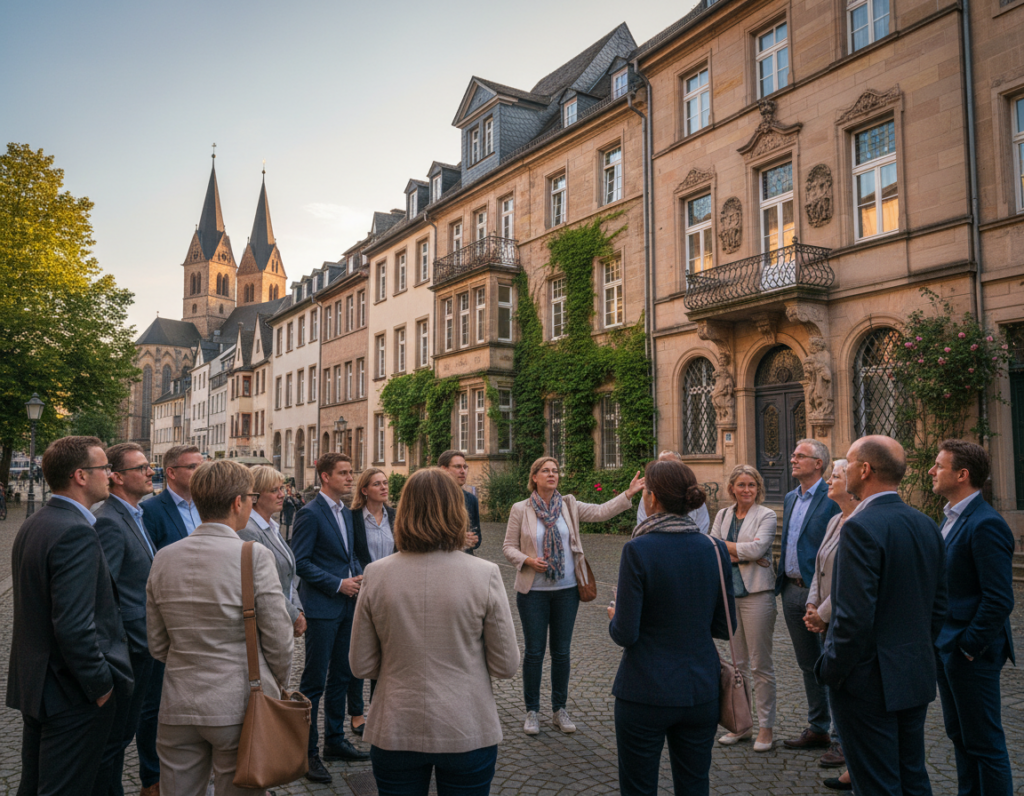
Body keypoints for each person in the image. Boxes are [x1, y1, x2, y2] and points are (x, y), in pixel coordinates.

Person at [350, 468, 520, 796]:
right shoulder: (484, 574)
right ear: (457, 512)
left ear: (405, 512)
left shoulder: (376, 574)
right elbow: (506, 664)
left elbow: (361, 664)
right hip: (466, 724)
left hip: (396, 725)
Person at [146, 459, 293, 796]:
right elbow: (279, 638)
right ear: (237, 502)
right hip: (237, 702)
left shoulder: (164, 557)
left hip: (178, 702)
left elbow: (156, 642)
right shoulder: (252, 555)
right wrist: (277, 683)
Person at [815, 435, 947, 796]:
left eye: (849, 461)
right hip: (914, 672)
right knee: (912, 776)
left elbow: (853, 616)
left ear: (865, 469)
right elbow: (938, 606)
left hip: (868, 681)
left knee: (876, 782)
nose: (843, 468)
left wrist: (832, 669)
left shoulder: (859, 526)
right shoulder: (926, 524)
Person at [7, 436, 133, 795]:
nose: (110, 474)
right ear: (80, 475)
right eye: (104, 468)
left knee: (34, 786)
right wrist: (101, 685)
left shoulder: (38, 522)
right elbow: (75, 626)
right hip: (69, 691)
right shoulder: (75, 531)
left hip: (37, 684)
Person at [608, 459, 736, 796]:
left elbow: (625, 633)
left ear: (651, 498)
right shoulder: (715, 547)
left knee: (638, 786)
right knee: (695, 785)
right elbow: (726, 626)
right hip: (700, 688)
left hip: (645, 689)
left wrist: (614, 613)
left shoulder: (638, 549)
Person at [503, 456, 643, 735]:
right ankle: (532, 711)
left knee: (562, 652)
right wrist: (528, 561)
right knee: (534, 652)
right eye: (546, 471)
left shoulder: (568, 505)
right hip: (533, 592)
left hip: (567, 590)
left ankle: (559, 709)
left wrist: (627, 494)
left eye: (555, 471)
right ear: (534, 477)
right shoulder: (521, 509)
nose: (552, 475)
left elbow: (602, 511)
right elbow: (508, 547)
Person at [929, 440, 1015, 796]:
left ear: (962, 475)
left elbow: (998, 599)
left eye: (939, 466)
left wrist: (967, 646)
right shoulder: (949, 518)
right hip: (948, 647)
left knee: (985, 743)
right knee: (960, 737)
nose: (931, 472)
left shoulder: (985, 524)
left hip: (971, 653)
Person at [292, 452, 370, 785]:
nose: (350, 478)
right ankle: (307, 754)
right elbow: (300, 562)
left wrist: (357, 575)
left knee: (342, 674)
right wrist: (338, 584)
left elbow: (348, 554)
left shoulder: (348, 513)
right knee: (313, 682)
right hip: (323, 608)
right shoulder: (310, 513)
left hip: (348, 606)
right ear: (325, 477)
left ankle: (334, 741)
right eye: (343, 473)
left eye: (351, 472)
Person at [93, 443, 159, 796]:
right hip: (128, 651)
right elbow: (103, 598)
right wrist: (124, 648)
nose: (151, 472)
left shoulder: (135, 514)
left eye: (149, 466)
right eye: (142, 468)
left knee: (123, 736)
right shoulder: (109, 521)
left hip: (141, 646)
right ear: (117, 477)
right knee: (113, 740)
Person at [138, 443, 204, 794]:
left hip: (203, 621)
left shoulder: (206, 507)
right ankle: (152, 776)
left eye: (201, 465)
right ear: (173, 472)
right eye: (193, 466)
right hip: (168, 620)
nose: (200, 472)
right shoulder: (152, 510)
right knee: (154, 701)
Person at [775, 438, 840, 751]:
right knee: (807, 663)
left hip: (823, 597)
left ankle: (841, 737)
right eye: (793, 454)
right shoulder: (789, 498)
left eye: (800, 455)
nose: (793, 459)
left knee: (832, 661)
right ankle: (818, 727)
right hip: (791, 590)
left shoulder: (833, 498)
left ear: (819, 464)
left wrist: (824, 600)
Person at [709, 464, 778, 752]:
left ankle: (766, 729)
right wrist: (743, 551)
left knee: (761, 664)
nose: (747, 490)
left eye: (751, 485)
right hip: (728, 595)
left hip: (757, 595)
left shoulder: (768, 514)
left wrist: (736, 551)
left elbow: (759, 549)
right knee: (737, 665)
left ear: (758, 488)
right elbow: (711, 546)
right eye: (741, 485)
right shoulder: (723, 514)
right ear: (732, 489)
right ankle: (743, 724)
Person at [802, 459, 858, 786]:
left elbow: (849, 580)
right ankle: (851, 760)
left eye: (835, 477)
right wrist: (812, 604)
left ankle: (853, 759)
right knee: (835, 688)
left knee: (848, 692)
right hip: (824, 615)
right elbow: (820, 567)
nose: (828, 483)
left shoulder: (861, 522)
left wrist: (821, 614)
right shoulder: (835, 519)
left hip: (842, 618)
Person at [348, 467, 397, 735]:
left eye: (385, 483)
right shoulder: (353, 517)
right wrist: (366, 577)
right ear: (364, 490)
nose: (383, 487)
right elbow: (352, 552)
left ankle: (379, 708)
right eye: (377, 484)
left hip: (390, 592)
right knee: (361, 650)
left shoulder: (394, 516)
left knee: (387, 653)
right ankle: (356, 713)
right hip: (363, 590)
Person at [238, 466, 306, 636]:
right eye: (274, 490)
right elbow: (259, 583)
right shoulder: (248, 530)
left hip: (280, 620)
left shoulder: (272, 528)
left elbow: (289, 576)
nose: (282, 494)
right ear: (254, 497)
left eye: (282, 488)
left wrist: (297, 608)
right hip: (264, 625)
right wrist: (293, 614)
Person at [635, 450, 710, 533]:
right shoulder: (649, 495)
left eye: (671, 464)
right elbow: (643, 523)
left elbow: (702, 525)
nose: (666, 469)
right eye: (662, 464)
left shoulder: (693, 494)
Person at [438, 450, 482, 552]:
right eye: (458, 467)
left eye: (465, 467)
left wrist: (472, 540)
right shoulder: (432, 498)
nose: (463, 471)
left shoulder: (471, 499)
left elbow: (477, 537)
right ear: (444, 469)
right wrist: (458, 541)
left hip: (465, 561)